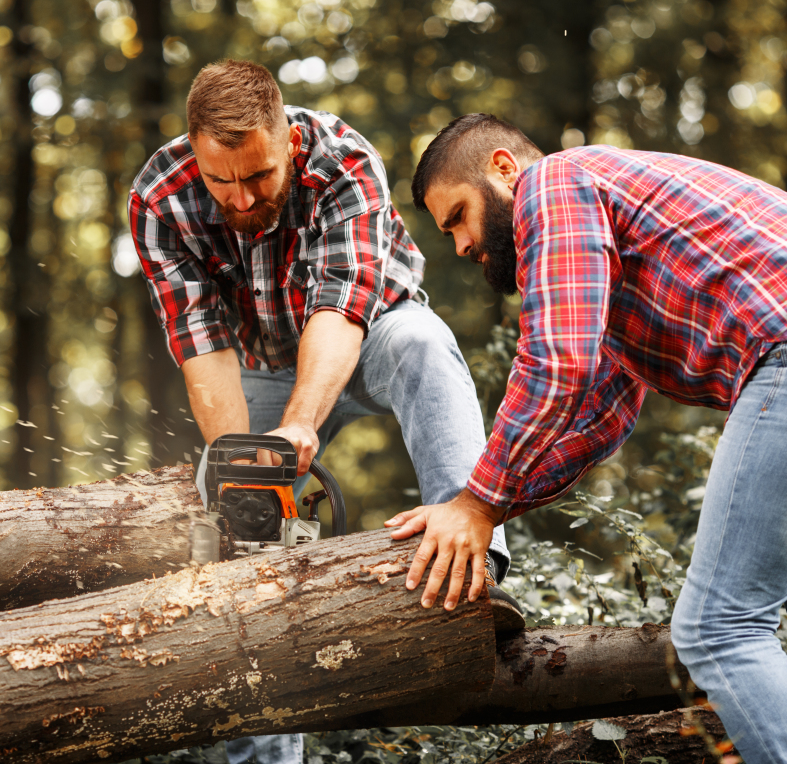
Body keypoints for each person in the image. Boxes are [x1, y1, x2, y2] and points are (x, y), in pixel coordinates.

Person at [390, 112, 787, 764]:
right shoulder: (604, 247)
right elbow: (596, 422)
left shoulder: (555, 183)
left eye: (458, 217)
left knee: (717, 632)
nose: (463, 245)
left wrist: (476, 503)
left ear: (503, 167)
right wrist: (489, 504)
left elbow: (557, 363)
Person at [128, 63, 521, 764]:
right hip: (255, 368)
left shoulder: (342, 159)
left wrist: (304, 419)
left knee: (426, 346)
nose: (243, 198)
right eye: (223, 182)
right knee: (239, 525)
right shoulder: (159, 198)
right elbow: (201, 346)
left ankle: (478, 571)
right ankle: (266, 753)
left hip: (370, 334)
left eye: (261, 176)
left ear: (288, 139)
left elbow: (342, 306)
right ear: (194, 154)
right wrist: (245, 471)